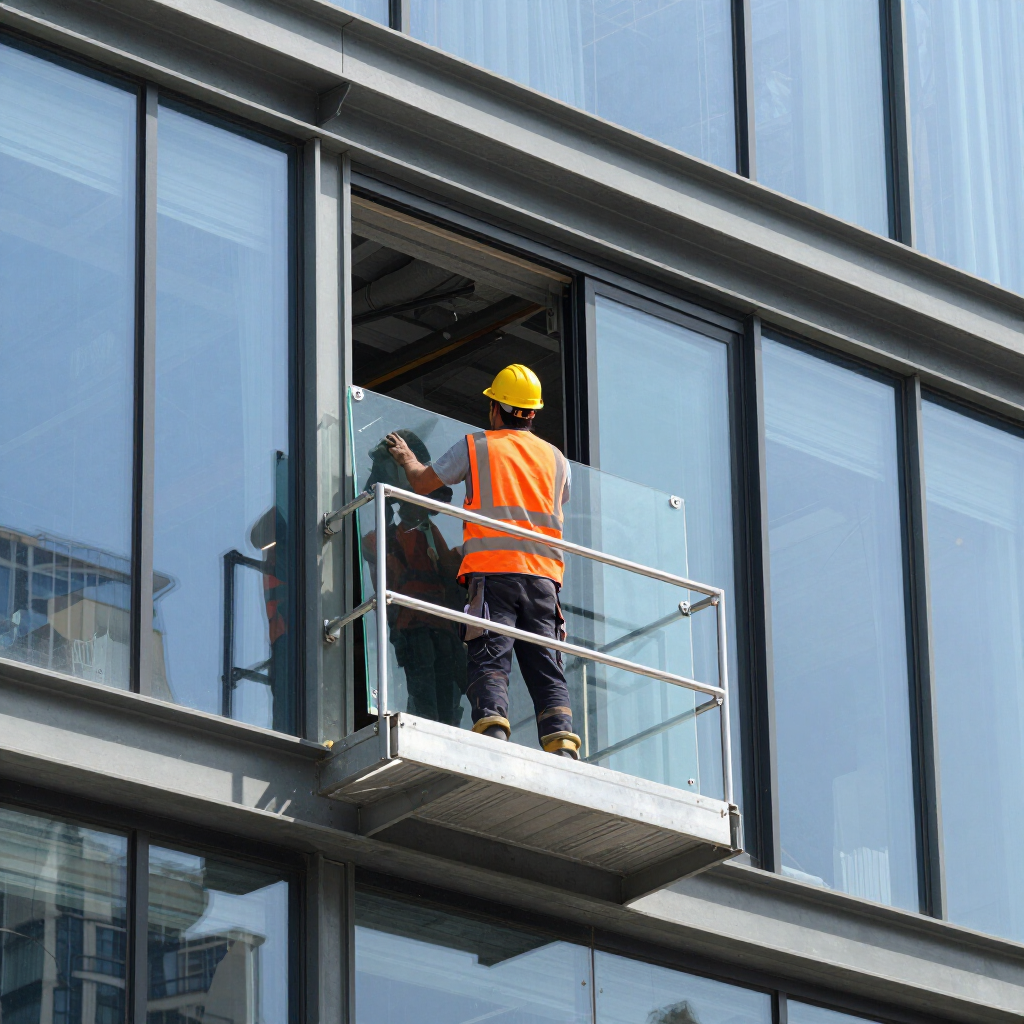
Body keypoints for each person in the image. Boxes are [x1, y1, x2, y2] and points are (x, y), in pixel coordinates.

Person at [384, 364, 580, 759]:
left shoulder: (477, 446)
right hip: (543, 578)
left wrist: (406, 458)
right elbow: (556, 500)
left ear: (496, 408)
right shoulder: (558, 460)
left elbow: (422, 482)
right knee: (546, 662)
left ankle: (492, 726)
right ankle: (561, 740)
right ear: (532, 413)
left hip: (494, 573)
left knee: (490, 652)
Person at [363, 431, 467, 726]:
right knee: (424, 694)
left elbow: (448, 572)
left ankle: (442, 731)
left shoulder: (427, 534)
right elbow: (372, 550)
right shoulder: (389, 537)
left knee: (445, 696)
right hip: (414, 627)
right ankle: (427, 728)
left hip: (441, 627)